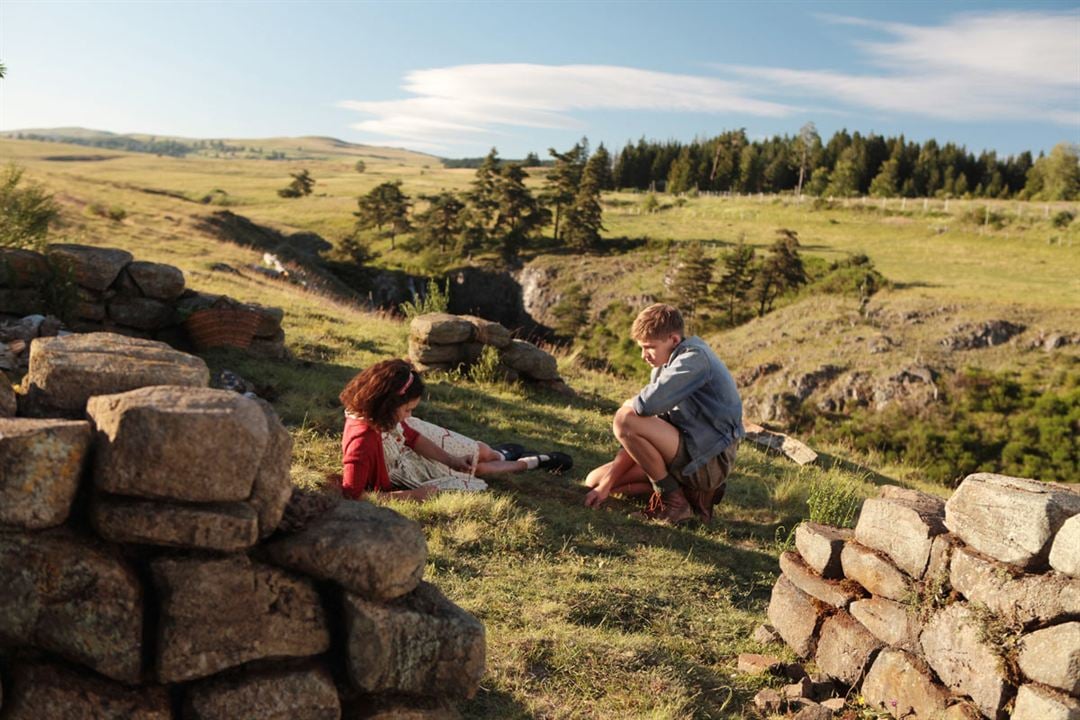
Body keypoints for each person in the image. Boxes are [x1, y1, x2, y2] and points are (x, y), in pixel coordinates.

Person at [584, 303, 742, 523]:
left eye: (649, 347)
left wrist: (630, 402)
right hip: (684, 448)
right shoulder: (663, 364)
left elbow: (644, 407)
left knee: (624, 420)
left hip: (708, 461)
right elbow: (641, 433)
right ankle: (688, 496)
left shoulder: (694, 359)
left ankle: (674, 503)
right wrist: (605, 487)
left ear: (674, 340)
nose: (643, 355)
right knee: (595, 481)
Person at [339, 358, 572, 502]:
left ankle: (500, 454)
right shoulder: (361, 444)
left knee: (477, 452)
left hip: (406, 450)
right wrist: (411, 496)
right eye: (408, 409)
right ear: (389, 405)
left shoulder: (381, 417)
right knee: (478, 470)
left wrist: (451, 460)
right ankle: (534, 462)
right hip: (400, 466)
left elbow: (410, 435)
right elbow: (352, 495)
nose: (409, 416)